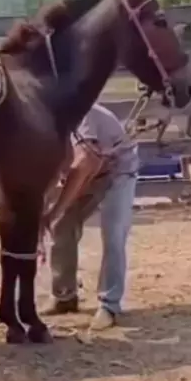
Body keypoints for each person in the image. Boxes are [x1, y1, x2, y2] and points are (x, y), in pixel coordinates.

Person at [43, 102, 139, 330]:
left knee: (113, 233)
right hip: (88, 172)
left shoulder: (79, 111)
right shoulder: (41, 118)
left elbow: (87, 161)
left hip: (117, 170)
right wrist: (43, 209)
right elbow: (49, 168)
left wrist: (54, 210)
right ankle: (64, 295)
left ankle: (109, 304)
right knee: (62, 226)